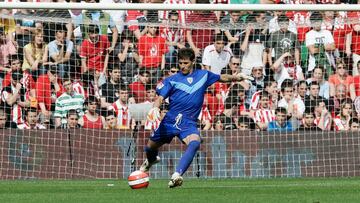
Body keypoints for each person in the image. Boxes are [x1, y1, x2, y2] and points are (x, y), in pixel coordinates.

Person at [139, 48, 252, 188]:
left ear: (193, 62)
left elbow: (221, 77)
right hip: (169, 121)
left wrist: (237, 77)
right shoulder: (172, 80)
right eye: (180, 63)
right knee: (150, 148)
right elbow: (160, 97)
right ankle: (150, 161)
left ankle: (176, 175)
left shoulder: (203, 75)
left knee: (195, 142)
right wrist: (155, 107)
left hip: (188, 122)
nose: (183, 66)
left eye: (186, 63)